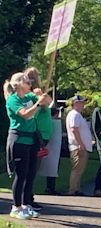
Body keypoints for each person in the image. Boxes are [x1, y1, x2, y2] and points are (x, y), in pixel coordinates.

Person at [4, 72, 49, 219]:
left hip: (31, 140)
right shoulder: (13, 100)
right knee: (21, 174)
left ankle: (26, 204)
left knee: (30, 174)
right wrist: (37, 103)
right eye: (25, 79)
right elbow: (26, 114)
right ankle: (15, 207)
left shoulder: (28, 97)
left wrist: (42, 95)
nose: (29, 81)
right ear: (18, 84)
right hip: (18, 140)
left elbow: (47, 102)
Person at [24, 67, 53, 210]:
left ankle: (28, 196)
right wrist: (39, 98)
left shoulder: (39, 93)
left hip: (43, 135)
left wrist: (43, 95)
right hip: (37, 134)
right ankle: (26, 198)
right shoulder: (30, 96)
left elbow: (49, 101)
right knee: (31, 168)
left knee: (34, 168)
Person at [66, 95, 93, 196]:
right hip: (77, 146)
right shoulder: (75, 115)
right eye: (81, 103)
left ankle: (77, 188)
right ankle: (73, 189)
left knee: (79, 169)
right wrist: (80, 144)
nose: (83, 105)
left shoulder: (76, 115)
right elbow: (74, 129)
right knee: (77, 169)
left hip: (79, 145)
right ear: (76, 103)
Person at [37, 108, 62, 196]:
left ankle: (50, 187)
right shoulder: (53, 124)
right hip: (52, 150)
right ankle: (50, 187)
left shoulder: (47, 123)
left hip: (49, 148)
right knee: (52, 167)